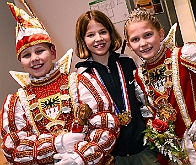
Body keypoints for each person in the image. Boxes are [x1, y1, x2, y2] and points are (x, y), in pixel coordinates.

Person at [1, 3, 120, 165]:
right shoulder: (16, 102)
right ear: (21, 62)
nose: (34, 58)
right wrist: (58, 144)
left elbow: (106, 124)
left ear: (53, 53)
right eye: (27, 55)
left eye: (40, 51)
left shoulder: (81, 82)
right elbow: (13, 149)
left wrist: (79, 158)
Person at [124, 8, 196, 165]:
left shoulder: (185, 55)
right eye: (135, 39)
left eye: (148, 35)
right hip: (169, 151)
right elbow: (147, 112)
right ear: (129, 45)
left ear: (160, 34)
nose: (143, 43)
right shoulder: (138, 76)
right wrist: (155, 131)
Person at [74, 10, 161, 165]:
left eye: (102, 32)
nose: (98, 39)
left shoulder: (128, 63)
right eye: (90, 35)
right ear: (83, 40)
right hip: (112, 156)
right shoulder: (82, 75)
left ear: (111, 33)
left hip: (143, 148)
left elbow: (143, 101)